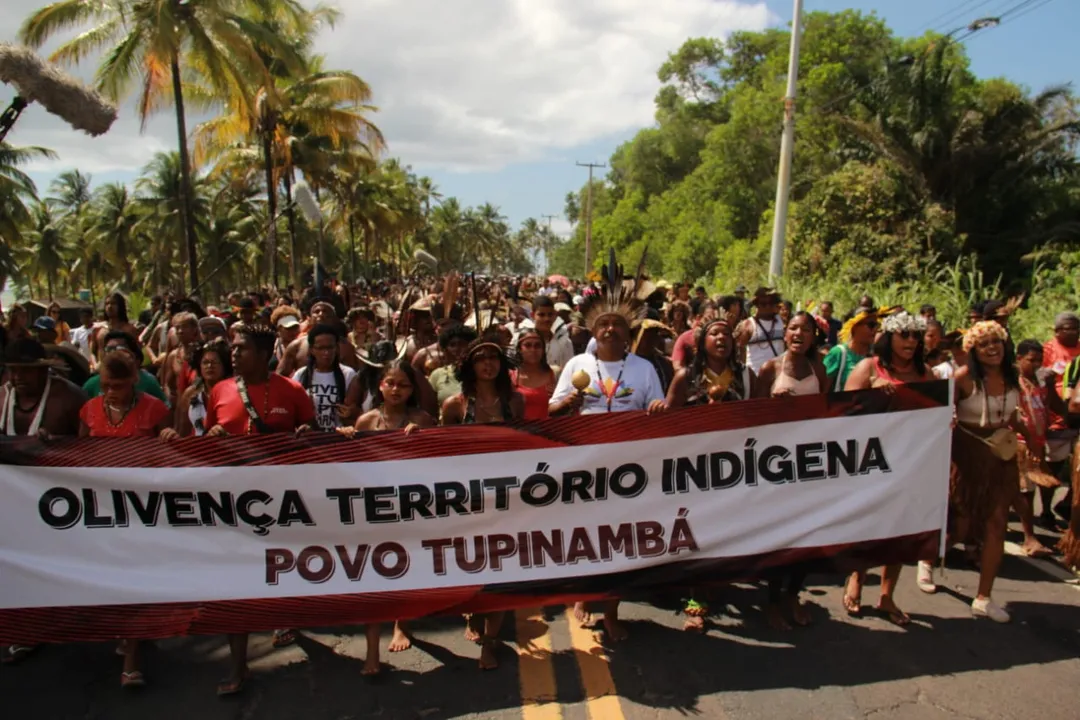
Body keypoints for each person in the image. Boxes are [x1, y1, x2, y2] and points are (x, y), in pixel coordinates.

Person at [200, 323, 317, 695]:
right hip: (232, 505)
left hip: (281, 504)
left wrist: (304, 435)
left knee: (279, 569)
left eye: (242, 349)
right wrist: (212, 437)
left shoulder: (292, 390)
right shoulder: (218, 390)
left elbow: (312, 434)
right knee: (237, 583)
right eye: (233, 349)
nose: (233, 354)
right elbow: (205, 441)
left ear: (264, 355)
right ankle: (238, 667)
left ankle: (285, 616)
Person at [549, 281, 667, 643]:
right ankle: (583, 594)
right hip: (584, 464)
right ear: (593, 330)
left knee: (620, 540)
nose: (610, 329)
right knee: (586, 535)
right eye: (603, 325)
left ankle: (612, 612)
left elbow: (658, 411)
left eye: (617, 324)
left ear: (628, 330)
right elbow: (551, 412)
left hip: (628, 467)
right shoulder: (577, 363)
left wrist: (658, 409)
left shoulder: (644, 368)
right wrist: (569, 403)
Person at [77, 350, 171, 687]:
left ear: (134, 379)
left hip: (144, 508)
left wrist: (167, 440)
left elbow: (174, 456)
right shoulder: (89, 410)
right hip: (102, 508)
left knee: (135, 574)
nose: (111, 391)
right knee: (112, 575)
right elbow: (75, 456)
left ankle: (132, 658)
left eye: (118, 385)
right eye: (105, 385)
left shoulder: (154, 409)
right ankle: (129, 631)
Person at [338, 359, 433, 674]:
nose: (396, 389)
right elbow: (347, 461)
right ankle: (371, 653)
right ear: (380, 385)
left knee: (405, 572)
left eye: (403, 385)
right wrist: (346, 434)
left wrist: (422, 437)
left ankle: (401, 624)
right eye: (390, 383)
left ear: (412, 390)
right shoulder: (366, 420)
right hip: (373, 512)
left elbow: (442, 454)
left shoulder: (422, 419)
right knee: (372, 579)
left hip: (409, 511)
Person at [841, 311, 935, 624]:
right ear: (890, 337)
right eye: (904, 334)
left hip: (910, 463)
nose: (911, 341)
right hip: (872, 459)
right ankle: (856, 577)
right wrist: (871, 392)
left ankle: (886, 596)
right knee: (868, 524)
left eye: (915, 335)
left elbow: (938, 412)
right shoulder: (869, 367)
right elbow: (844, 410)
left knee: (900, 530)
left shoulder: (927, 375)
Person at [0, 338, 86, 665]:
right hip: (12, 499)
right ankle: (27, 628)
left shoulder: (68, 398)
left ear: (43, 371)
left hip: (59, 500)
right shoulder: (3, 396)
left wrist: (59, 447)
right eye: (13, 369)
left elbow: (92, 448)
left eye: (25, 370)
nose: (18, 376)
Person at [441, 336, 524, 669]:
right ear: (469, 366)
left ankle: (490, 643)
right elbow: (442, 452)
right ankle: (472, 612)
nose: (488, 363)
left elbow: (524, 445)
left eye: (494, 357)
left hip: (506, 500)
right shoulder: (454, 405)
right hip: (467, 502)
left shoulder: (514, 402)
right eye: (480, 358)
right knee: (473, 570)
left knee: (499, 572)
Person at [753, 312, 827, 630]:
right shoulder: (770, 368)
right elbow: (750, 414)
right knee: (777, 537)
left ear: (813, 336)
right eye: (793, 328)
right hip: (773, 464)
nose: (799, 333)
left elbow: (828, 414)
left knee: (806, 535)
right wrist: (771, 403)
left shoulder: (819, 369)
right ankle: (770, 602)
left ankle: (792, 595)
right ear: (785, 335)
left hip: (807, 463)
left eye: (805, 329)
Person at [950, 321, 1025, 623]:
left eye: (996, 342)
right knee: (961, 526)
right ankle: (929, 559)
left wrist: (1030, 437)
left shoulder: (1013, 376)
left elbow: (1016, 418)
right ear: (973, 350)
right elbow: (941, 416)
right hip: (967, 458)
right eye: (984, 344)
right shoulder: (962, 378)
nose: (992, 348)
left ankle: (984, 597)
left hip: (1001, 459)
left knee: (996, 523)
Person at [1012, 339, 1066, 557]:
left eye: (1039, 360)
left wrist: (1052, 387)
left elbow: (1057, 407)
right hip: (1019, 443)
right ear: (1019, 359)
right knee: (1026, 491)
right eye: (1030, 360)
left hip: (1039, 442)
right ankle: (1029, 537)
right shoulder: (1013, 382)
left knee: (1034, 486)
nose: (1035, 364)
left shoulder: (1042, 383)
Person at [1040, 312, 1080, 529]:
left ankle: (1068, 506)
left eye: (1077, 327)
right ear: (1057, 331)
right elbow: (1038, 376)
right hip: (1055, 416)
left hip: (1077, 415)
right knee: (1052, 466)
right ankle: (1046, 511)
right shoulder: (1048, 350)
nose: (1074, 331)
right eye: (1068, 328)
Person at [291, 324, 361, 431]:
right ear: (311, 350)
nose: (326, 353)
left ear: (337, 348)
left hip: (338, 439)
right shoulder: (301, 375)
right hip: (310, 438)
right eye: (320, 348)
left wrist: (349, 413)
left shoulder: (348, 374)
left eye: (330, 347)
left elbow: (356, 411)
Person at [164, 339, 233, 438]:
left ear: (224, 366)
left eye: (214, 362)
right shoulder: (190, 393)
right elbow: (181, 431)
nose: (209, 366)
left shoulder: (233, 392)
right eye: (205, 362)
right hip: (197, 449)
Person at [83, 332, 168, 403]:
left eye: (119, 348)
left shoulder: (148, 382)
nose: (113, 353)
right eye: (109, 349)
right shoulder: (92, 384)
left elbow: (165, 413)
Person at [823, 309, 878, 392]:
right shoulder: (838, 353)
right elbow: (823, 390)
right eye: (871, 325)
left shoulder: (877, 356)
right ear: (854, 327)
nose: (875, 329)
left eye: (877, 325)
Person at [426, 323, 478, 408]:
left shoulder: (480, 373)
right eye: (452, 345)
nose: (457, 349)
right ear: (445, 349)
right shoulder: (437, 375)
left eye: (462, 344)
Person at [511, 329, 557, 421]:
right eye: (528, 345)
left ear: (543, 350)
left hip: (547, 430)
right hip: (519, 431)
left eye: (537, 346)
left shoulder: (553, 374)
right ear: (519, 349)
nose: (533, 350)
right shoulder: (510, 377)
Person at [736, 288, 785, 374]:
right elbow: (740, 351)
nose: (767, 307)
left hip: (778, 374)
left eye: (770, 303)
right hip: (755, 375)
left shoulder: (782, 321)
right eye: (763, 304)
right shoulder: (748, 325)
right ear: (757, 305)